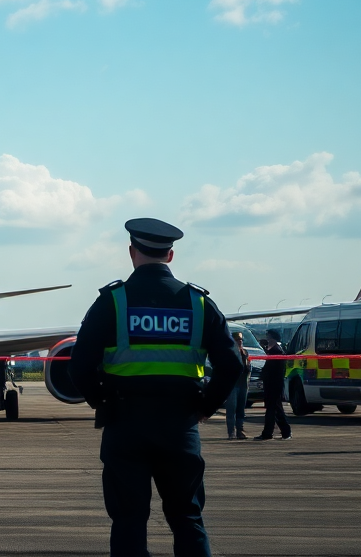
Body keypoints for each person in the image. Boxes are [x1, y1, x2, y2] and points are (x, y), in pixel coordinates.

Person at [69, 218, 241, 557]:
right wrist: (205, 406)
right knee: (187, 517)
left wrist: (100, 401)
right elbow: (233, 364)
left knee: (129, 521)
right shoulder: (199, 303)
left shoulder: (112, 302)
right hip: (180, 424)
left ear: (132, 252)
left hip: (124, 422)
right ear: (171, 255)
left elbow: (78, 364)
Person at [254, 330, 291, 441]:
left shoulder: (277, 352)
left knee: (271, 409)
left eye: (268, 337)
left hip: (274, 385)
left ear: (273, 339)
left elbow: (274, 370)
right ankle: (285, 431)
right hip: (271, 385)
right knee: (276, 409)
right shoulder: (273, 351)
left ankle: (268, 433)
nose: (267, 339)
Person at [224, 332, 251, 440]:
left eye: (240, 340)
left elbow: (248, 368)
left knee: (241, 409)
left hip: (243, 384)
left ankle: (240, 430)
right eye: (237, 340)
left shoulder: (245, 353)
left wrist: (244, 358)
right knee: (231, 409)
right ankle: (231, 432)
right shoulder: (229, 353)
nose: (240, 342)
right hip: (233, 385)